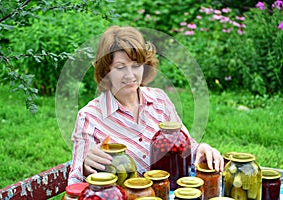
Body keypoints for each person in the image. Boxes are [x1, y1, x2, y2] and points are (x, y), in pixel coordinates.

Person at [68, 25, 224, 185]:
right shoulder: (89, 117)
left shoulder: (160, 101)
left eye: (136, 66)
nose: (130, 75)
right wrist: (86, 167)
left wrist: (201, 149)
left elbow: (184, 147)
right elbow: (74, 182)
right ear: (106, 70)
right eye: (121, 67)